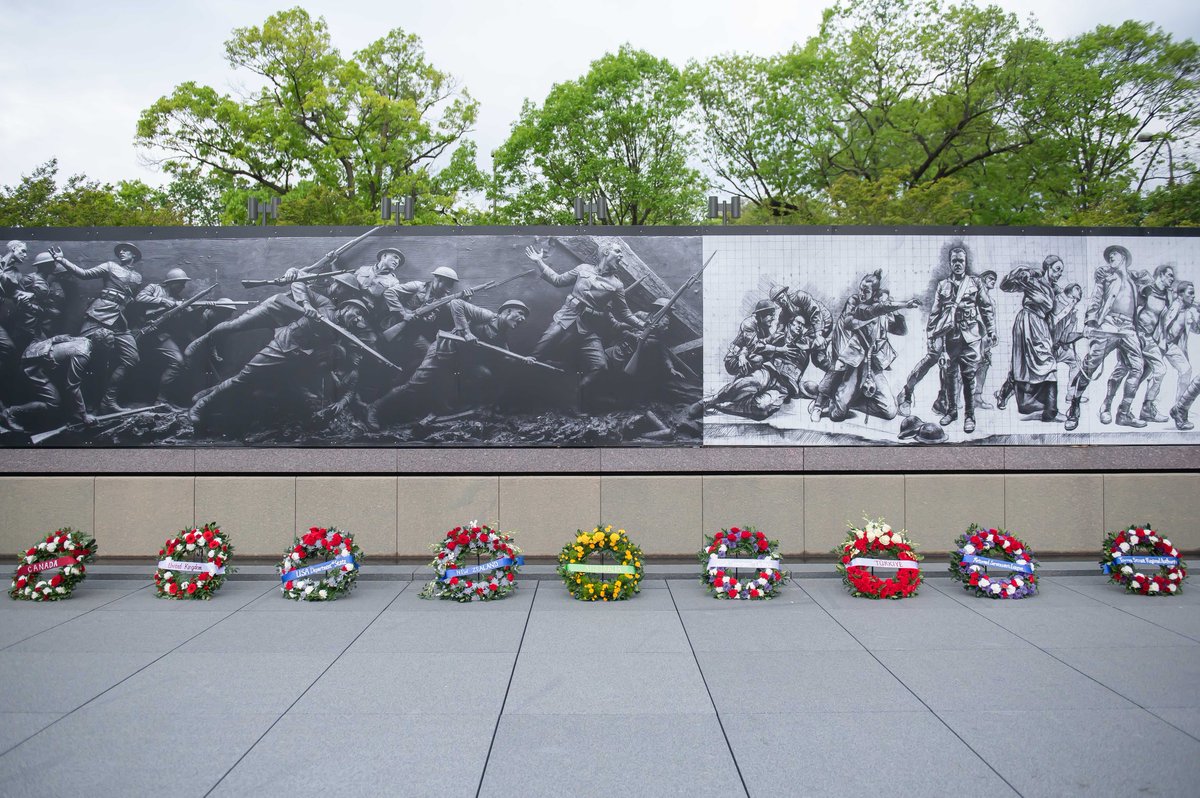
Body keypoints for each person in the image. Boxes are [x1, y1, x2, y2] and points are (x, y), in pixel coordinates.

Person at [367, 298, 531, 426]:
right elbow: (456, 303)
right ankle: (375, 407)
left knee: (483, 375)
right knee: (413, 386)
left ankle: (451, 409)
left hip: (460, 362)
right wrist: (465, 332)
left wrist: (524, 360)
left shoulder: (501, 334)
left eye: (524, 316)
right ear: (508, 311)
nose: (522, 319)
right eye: (520, 314)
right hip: (442, 352)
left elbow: (505, 355)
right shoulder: (487, 315)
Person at [523, 241, 644, 390]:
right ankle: (518, 392)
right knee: (537, 354)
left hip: (589, 328)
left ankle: (572, 398)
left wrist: (643, 325)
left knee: (600, 367)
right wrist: (539, 261)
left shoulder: (617, 285)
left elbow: (625, 312)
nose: (621, 256)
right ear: (606, 252)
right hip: (565, 318)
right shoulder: (583, 269)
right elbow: (558, 280)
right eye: (618, 252)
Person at [811, 271, 921, 423]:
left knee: (890, 411)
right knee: (837, 414)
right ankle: (830, 402)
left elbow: (901, 330)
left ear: (875, 294)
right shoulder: (857, 305)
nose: (862, 293)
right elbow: (857, 319)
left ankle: (855, 401)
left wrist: (895, 311)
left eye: (866, 291)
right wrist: (896, 305)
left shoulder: (882, 310)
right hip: (854, 362)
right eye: (861, 289)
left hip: (872, 365)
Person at [49, 243, 144, 412]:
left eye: (126, 250)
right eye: (120, 251)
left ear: (134, 255)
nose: (121, 252)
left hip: (119, 319)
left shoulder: (138, 277)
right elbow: (84, 274)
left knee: (132, 359)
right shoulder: (110, 266)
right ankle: (82, 407)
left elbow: (133, 301)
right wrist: (62, 260)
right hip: (98, 315)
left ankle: (108, 402)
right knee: (85, 358)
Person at [1065, 245, 1146, 431]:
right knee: (1089, 367)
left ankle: (1123, 412)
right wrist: (1090, 321)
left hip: (1128, 329)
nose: (1110, 257)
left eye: (1114, 254)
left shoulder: (1134, 279)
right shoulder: (1105, 277)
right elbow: (1096, 298)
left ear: (1124, 257)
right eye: (1109, 256)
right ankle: (1074, 408)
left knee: (1137, 367)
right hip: (1107, 325)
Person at [923, 245, 995, 433]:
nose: (957, 264)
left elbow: (986, 308)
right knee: (950, 375)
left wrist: (992, 330)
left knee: (969, 376)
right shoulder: (943, 285)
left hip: (971, 335)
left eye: (960, 261)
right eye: (954, 261)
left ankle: (969, 415)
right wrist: (931, 335)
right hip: (951, 336)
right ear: (949, 263)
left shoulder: (975, 283)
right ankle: (951, 411)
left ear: (965, 263)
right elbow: (935, 313)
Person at [1101, 264, 1175, 424]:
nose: (1172, 279)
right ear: (1161, 275)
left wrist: (1161, 340)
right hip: (1133, 334)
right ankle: (1107, 405)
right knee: (1122, 369)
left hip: (1149, 339)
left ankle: (1140, 410)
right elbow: (1133, 310)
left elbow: (1162, 320)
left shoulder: (1167, 296)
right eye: (1169, 275)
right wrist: (1134, 333)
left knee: (1155, 371)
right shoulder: (1145, 289)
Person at [994, 255, 1064, 422]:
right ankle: (1051, 411)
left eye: (1061, 271)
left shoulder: (1054, 289)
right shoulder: (1033, 280)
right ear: (1047, 267)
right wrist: (1025, 272)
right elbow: (1005, 285)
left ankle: (1004, 392)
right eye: (1057, 269)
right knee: (1036, 364)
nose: (1059, 273)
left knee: (1034, 364)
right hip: (1027, 322)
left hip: (1040, 325)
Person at [7, 331, 114, 429]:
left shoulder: (86, 340)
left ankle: (73, 411)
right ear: (99, 343)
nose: (112, 347)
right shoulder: (82, 354)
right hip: (33, 365)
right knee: (54, 403)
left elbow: (61, 338)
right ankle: (11, 412)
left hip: (37, 352)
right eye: (109, 343)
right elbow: (73, 386)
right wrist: (84, 415)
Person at [134, 267, 197, 406]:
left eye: (184, 283)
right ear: (170, 282)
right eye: (180, 283)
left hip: (162, 336)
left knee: (178, 362)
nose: (183, 286)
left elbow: (189, 317)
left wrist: (200, 308)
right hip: (144, 332)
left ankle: (161, 401)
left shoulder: (180, 300)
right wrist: (163, 301)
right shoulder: (154, 288)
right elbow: (139, 298)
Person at [1162, 281, 1200, 404]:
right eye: (1190, 293)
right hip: (1163, 344)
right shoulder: (1175, 306)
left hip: (1173, 346)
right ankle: (1179, 406)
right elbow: (1163, 324)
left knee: (1186, 370)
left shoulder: (1187, 312)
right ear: (1180, 295)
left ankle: (1179, 406)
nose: (1193, 296)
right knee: (1185, 370)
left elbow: (1197, 330)